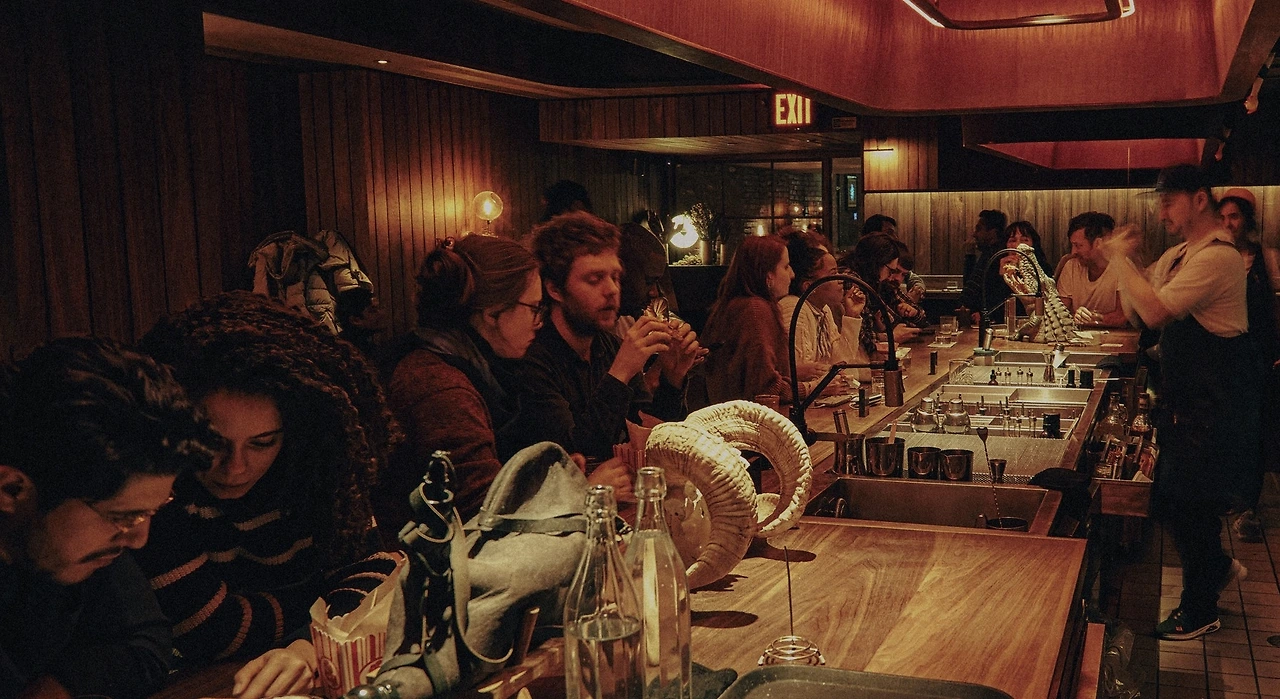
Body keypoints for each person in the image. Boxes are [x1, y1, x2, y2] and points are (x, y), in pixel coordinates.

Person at [137, 292, 402, 698]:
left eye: (262, 443)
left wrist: (306, 647)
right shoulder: (159, 486)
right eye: (212, 441)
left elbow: (374, 574)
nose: (235, 467)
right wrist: (321, 609)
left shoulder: (317, 469)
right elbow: (213, 631)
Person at [1, 337, 218, 698]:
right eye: (123, 516)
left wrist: (63, 685)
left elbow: (147, 641)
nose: (139, 539)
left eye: (151, 511)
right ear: (11, 490)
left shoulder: (73, 549)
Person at [1101, 165, 1263, 641]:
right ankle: (1216, 568)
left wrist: (1121, 260)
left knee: (1187, 502)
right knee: (1177, 500)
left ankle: (1200, 608)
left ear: (1199, 199)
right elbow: (1137, 311)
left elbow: (1154, 310)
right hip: (1185, 402)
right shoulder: (1178, 255)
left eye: (1168, 202)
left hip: (1214, 406)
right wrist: (1127, 264)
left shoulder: (1218, 258)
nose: (1160, 213)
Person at [513, 212, 700, 463]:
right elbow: (573, 455)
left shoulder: (609, 346)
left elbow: (650, 434)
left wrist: (672, 378)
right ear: (555, 289)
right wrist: (620, 372)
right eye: (594, 279)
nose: (612, 290)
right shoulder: (532, 358)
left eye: (615, 277)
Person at [382, 234, 543, 523]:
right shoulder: (440, 387)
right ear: (492, 313)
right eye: (534, 308)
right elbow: (485, 515)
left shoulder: (479, 368)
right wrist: (582, 491)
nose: (539, 322)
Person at [697, 234, 794, 407]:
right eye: (786, 267)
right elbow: (766, 388)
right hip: (745, 419)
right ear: (768, 275)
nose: (792, 274)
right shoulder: (755, 310)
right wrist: (809, 389)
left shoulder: (738, 306)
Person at [778, 228, 870, 397]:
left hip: (821, 399)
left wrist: (851, 316)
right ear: (809, 286)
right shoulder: (793, 308)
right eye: (833, 274)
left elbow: (841, 365)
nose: (840, 279)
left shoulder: (824, 309)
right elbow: (798, 372)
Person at [838, 234, 922, 359]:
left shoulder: (873, 280)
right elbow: (861, 339)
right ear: (877, 263)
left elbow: (917, 320)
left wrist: (912, 314)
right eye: (891, 271)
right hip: (851, 361)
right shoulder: (852, 281)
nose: (891, 277)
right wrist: (889, 336)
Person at [1055, 212, 1127, 327]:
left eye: (1078, 246)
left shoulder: (1122, 267)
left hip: (1116, 335)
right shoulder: (1071, 267)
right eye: (1072, 245)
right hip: (1078, 335)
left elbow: (1122, 317)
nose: (1073, 252)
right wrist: (1074, 317)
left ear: (1098, 244)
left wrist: (1094, 318)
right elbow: (1060, 313)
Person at [959, 209, 1009, 325]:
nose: (974, 234)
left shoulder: (998, 256)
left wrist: (981, 312)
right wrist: (970, 256)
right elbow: (971, 286)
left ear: (993, 232)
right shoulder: (988, 253)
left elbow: (997, 294)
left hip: (991, 321)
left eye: (979, 229)